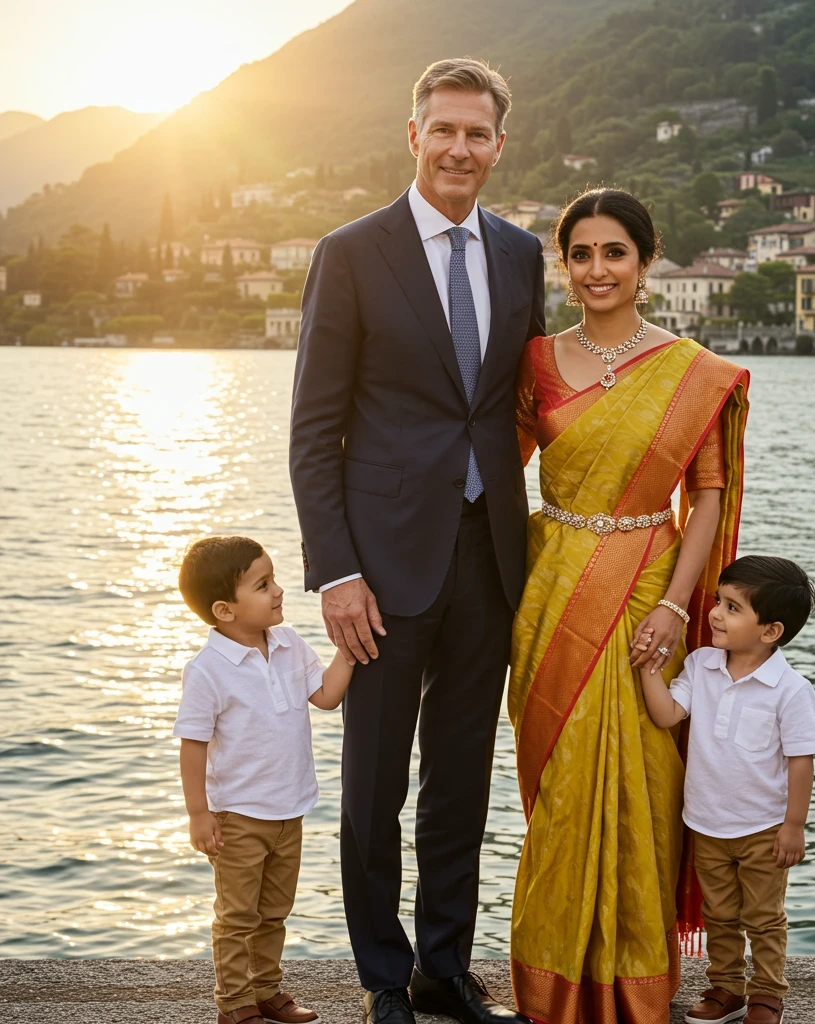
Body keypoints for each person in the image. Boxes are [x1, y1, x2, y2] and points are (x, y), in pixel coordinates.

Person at [289, 58, 544, 1024]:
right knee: (372, 783)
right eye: (444, 130)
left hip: (491, 553)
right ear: (413, 135)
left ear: (497, 147)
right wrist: (337, 572)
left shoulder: (520, 255)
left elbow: (518, 405)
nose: (459, 149)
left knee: (461, 777)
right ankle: (383, 978)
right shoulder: (352, 251)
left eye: (477, 134)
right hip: (382, 565)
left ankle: (444, 966)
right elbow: (315, 428)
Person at [509, 188, 750, 1024]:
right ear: (564, 265)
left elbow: (708, 500)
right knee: (564, 781)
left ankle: (636, 976)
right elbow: (493, 476)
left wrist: (678, 609)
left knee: (646, 783)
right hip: (552, 591)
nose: (597, 269)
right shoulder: (535, 360)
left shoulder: (694, 372)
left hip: (651, 588)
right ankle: (552, 983)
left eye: (615, 252)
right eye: (581, 253)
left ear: (646, 262)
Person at [173, 536, 353, 1024]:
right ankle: (234, 1005)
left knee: (274, 912)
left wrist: (349, 651)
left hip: (288, 809)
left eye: (273, 579)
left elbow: (326, 696)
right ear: (224, 610)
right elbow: (192, 744)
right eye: (262, 584)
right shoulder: (208, 670)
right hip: (237, 816)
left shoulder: (289, 643)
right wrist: (198, 813)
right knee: (236, 917)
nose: (278, 590)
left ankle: (266, 990)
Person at [639, 555, 815, 1024]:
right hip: (706, 822)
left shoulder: (790, 689)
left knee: (763, 918)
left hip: (763, 828)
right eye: (719, 600)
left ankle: (767, 994)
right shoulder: (702, 665)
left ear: (770, 632)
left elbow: (801, 761)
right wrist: (647, 672)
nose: (715, 613)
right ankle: (726, 988)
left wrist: (793, 826)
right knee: (718, 916)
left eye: (733, 607)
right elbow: (667, 715)